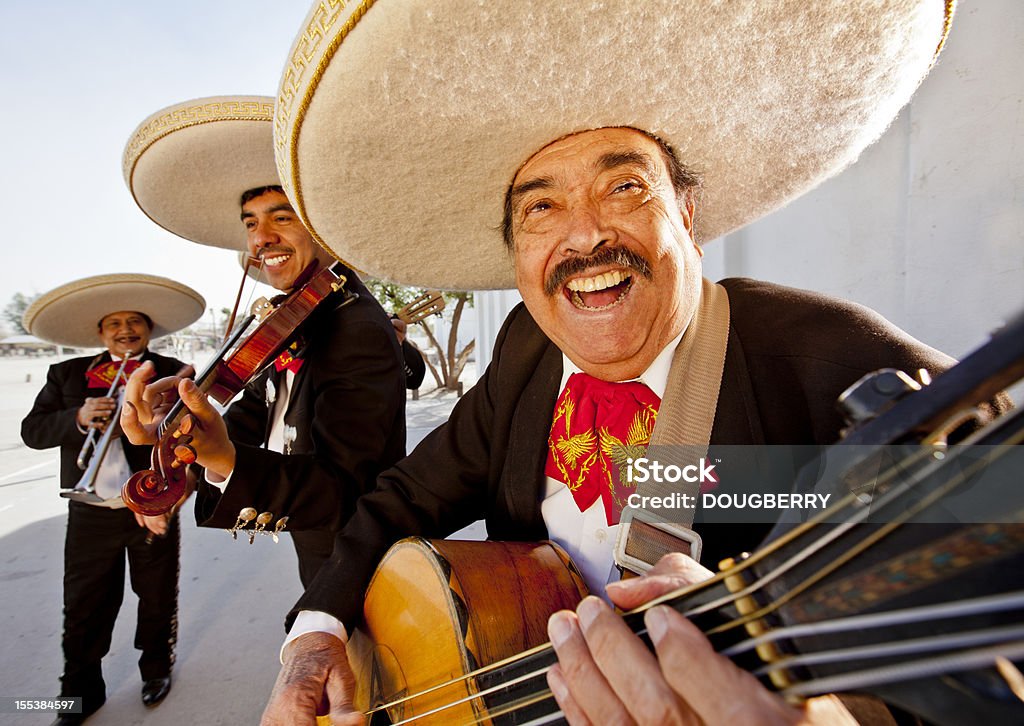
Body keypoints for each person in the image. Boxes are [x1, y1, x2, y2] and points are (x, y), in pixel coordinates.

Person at [131, 4, 982, 723]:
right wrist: (314, 633)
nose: (584, 236)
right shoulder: (529, 348)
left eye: (624, 188)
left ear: (686, 214)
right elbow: (399, 498)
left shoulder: (832, 357)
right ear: (517, 256)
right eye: (542, 207)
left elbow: (975, 650)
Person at [121, 97, 408, 587]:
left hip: (358, 557)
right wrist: (180, 437)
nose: (261, 238)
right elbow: (249, 417)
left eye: (282, 217)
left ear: (324, 227)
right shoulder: (294, 317)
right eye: (251, 223)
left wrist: (225, 459)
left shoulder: (354, 325)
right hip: (315, 541)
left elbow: (347, 487)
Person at [20, 273, 205, 724]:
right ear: (100, 331)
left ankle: (156, 669)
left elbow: (192, 442)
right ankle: (78, 693)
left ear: (149, 328)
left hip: (152, 506)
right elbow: (32, 431)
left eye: (135, 321)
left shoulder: (170, 372)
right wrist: (77, 416)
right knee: (83, 605)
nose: (126, 330)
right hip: (91, 510)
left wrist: (173, 500)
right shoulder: (65, 374)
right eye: (115, 323)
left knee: (157, 596)